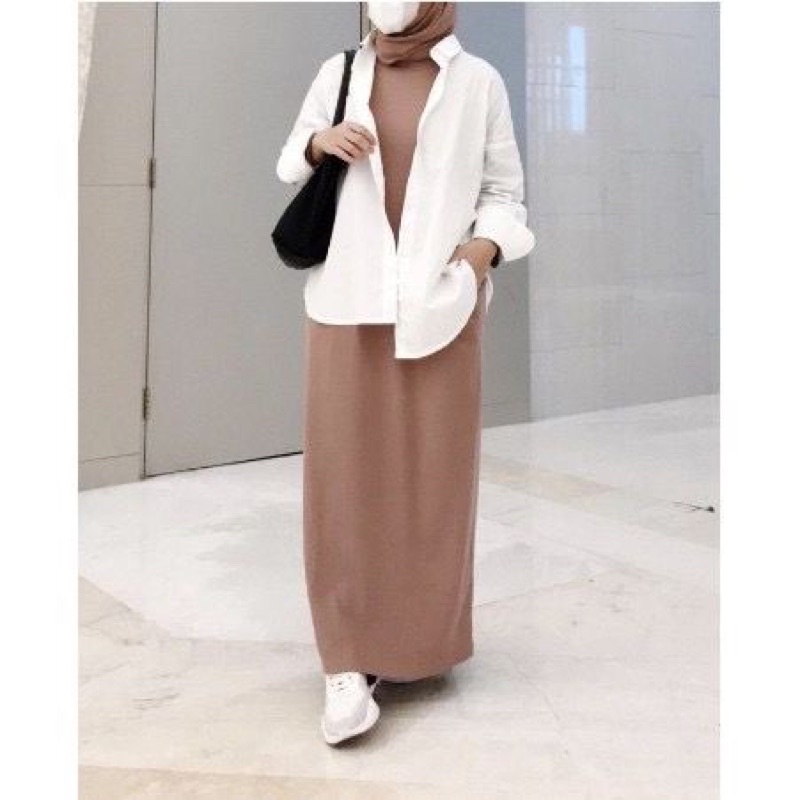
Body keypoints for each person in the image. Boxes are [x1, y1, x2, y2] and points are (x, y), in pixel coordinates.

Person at [276, 1, 535, 745]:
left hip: (438, 304)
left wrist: (477, 258)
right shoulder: (340, 70)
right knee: (342, 483)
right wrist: (321, 141)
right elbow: (289, 162)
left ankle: (418, 643)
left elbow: (505, 192)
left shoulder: (478, 81)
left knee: (432, 483)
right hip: (346, 304)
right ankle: (345, 659)